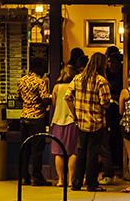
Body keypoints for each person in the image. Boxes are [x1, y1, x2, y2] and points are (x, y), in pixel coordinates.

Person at [66, 52, 112, 192]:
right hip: (96, 122)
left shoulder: (77, 78)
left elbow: (68, 97)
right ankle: (91, 183)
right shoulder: (101, 81)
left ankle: (76, 182)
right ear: (101, 64)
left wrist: (75, 115)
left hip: (81, 122)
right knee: (93, 154)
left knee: (81, 152)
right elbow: (105, 103)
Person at [17, 57, 51, 186]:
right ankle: (37, 177)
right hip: (37, 118)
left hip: (24, 116)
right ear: (39, 68)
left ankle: (24, 176)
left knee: (25, 148)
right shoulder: (40, 82)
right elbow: (44, 99)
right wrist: (50, 99)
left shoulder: (21, 81)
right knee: (37, 149)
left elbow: (19, 97)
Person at [49, 65, 78, 188]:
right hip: (72, 121)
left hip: (57, 120)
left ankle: (60, 180)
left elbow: (54, 103)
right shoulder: (74, 87)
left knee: (58, 153)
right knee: (73, 152)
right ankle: (71, 180)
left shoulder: (57, 87)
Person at [101, 45, 124, 183]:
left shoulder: (122, 73)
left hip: (118, 110)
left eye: (113, 62)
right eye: (109, 62)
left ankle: (118, 163)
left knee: (117, 137)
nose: (111, 64)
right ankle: (110, 166)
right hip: (108, 109)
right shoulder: (105, 74)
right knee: (107, 139)